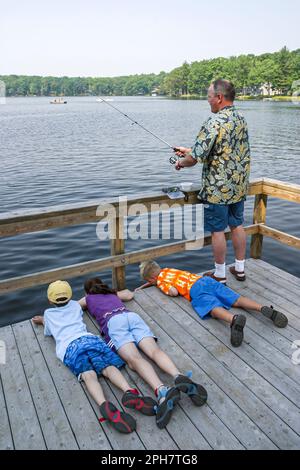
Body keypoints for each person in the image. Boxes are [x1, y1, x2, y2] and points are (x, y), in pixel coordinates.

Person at [79, 277, 208, 429]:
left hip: (113, 322)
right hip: (131, 316)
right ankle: (178, 375)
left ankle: (161, 391)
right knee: (154, 351)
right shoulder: (113, 293)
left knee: (134, 359)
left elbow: (74, 306)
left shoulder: (88, 298)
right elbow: (129, 294)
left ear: (87, 291)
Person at [32, 280, 158, 434]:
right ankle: (128, 390)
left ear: (50, 300)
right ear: (70, 296)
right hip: (90, 340)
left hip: (70, 348)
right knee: (108, 367)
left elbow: (50, 329)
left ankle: (103, 404)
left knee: (88, 375)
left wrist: (43, 321)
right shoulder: (75, 306)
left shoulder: (48, 314)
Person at [174, 79, 250, 284]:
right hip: (239, 186)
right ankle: (240, 269)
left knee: (217, 230)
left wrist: (181, 162)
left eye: (209, 96)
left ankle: (220, 274)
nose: (207, 101)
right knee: (237, 225)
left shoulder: (214, 121)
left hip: (218, 189)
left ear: (219, 97)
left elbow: (193, 159)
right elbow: (223, 150)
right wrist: (190, 150)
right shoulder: (241, 118)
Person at [138, 260, 288, 348]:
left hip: (195, 290)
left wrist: (159, 286)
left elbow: (173, 292)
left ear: (151, 279)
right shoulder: (169, 270)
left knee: (212, 308)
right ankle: (262, 308)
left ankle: (233, 320)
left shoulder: (160, 282)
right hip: (205, 280)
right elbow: (169, 277)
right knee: (236, 299)